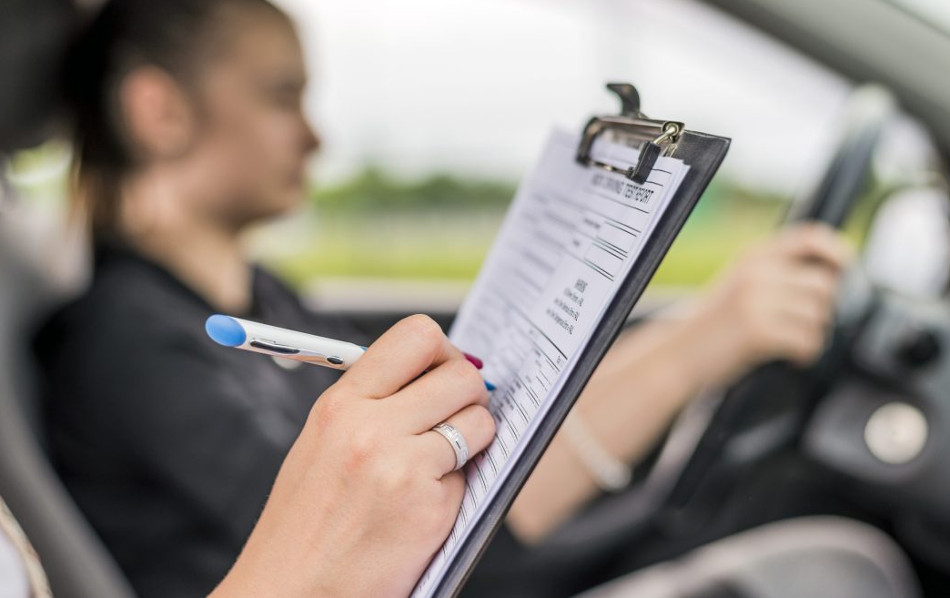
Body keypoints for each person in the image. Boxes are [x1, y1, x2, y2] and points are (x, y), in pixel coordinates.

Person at [34, 0, 854, 596]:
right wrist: (702, 342)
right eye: (282, 96)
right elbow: (422, 548)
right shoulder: (128, 350)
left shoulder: (260, 293)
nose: (315, 137)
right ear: (160, 110)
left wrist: (707, 336)